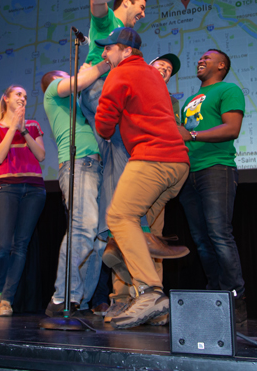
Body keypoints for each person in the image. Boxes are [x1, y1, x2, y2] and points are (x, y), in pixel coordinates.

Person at [94, 28, 190, 329]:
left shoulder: (121, 74)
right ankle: (154, 306)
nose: (104, 54)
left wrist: (113, 122)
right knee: (135, 226)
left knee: (119, 216)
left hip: (153, 158)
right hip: (178, 165)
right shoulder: (152, 75)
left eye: (107, 49)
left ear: (124, 50)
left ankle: (150, 292)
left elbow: (104, 124)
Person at [177, 49, 248, 324]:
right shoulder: (189, 102)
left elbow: (232, 129)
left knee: (219, 234)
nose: (200, 60)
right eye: (199, 58)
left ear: (221, 65)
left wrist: (192, 134)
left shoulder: (228, 89)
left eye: (207, 58)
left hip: (216, 168)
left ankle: (235, 296)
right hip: (188, 174)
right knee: (202, 241)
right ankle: (215, 296)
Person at [41, 61, 110, 316]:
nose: (69, 78)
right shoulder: (53, 91)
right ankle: (62, 298)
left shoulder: (77, 106)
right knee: (83, 228)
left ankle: (79, 300)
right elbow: (80, 82)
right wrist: (104, 64)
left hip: (96, 166)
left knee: (100, 238)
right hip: (79, 164)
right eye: (64, 77)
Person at [0, 85, 47, 317]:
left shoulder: (32, 126)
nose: (23, 98)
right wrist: (13, 128)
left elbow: (41, 155)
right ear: (6, 98)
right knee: (2, 246)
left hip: (34, 190)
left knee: (20, 246)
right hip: (8, 189)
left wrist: (24, 131)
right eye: (18, 94)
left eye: (25, 96)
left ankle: (7, 299)